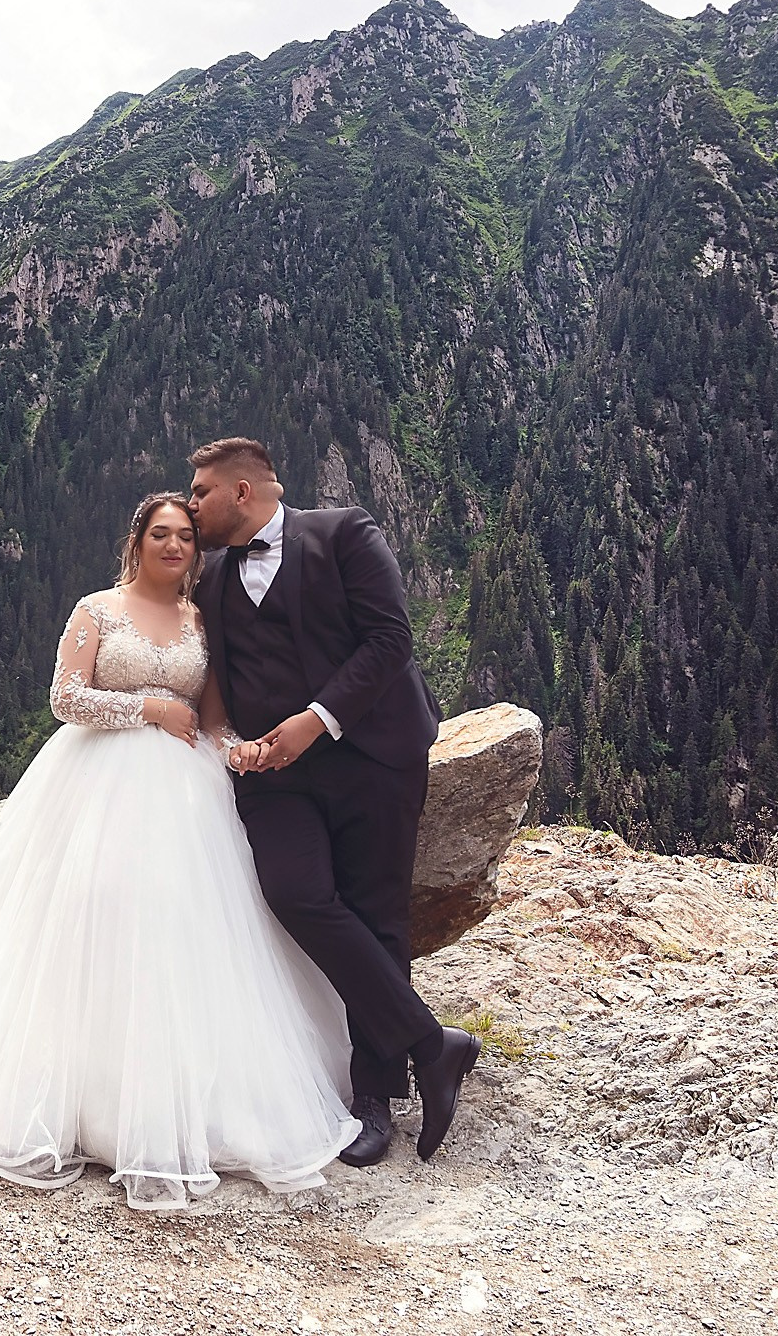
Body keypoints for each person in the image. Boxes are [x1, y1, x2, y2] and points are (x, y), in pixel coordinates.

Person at [0, 491, 361, 1210]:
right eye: (161, 534)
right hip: (92, 785)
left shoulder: (201, 623)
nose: (175, 546)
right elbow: (66, 698)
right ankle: (77, 1097)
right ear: (138, 542)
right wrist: (147, 708)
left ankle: (172, 1100)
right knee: (85, 920)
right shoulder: (96, 609)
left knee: (180, 929)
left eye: (186, 536)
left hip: (185, 797)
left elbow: (213, 720)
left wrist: (243, 753)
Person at [184, 436, 477, 1166]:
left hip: (372, 754)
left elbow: (389, 641)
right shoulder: (212, 577)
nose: (192, 506)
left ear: (242, 493)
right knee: (296, 893)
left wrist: (316, 720)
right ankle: (431, 1042)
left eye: (200, 493)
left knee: (378, 911)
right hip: (274, 775)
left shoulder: (345, 531)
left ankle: (372, 1100)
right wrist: (238, 744)